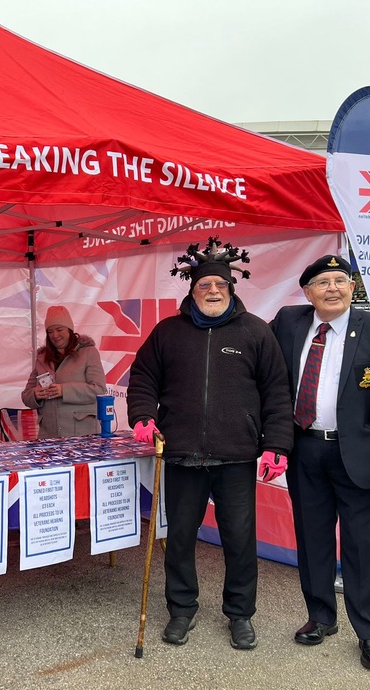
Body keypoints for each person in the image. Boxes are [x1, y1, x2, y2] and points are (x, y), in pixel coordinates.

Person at [128, 239, 294, 650]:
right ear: (192, 290)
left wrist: (277, 444)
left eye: (221, 284)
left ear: (232, 289)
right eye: (206, 286)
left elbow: (276, 392)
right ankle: (181, 610)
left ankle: (240, 614)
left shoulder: (255, 331)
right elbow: (143, 378)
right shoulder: (168, 332)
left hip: (236, 455)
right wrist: (144, 417)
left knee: (240, 539)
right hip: (182, 454)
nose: (214, 291)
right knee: (181, 537)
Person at [270, 255, 370, 671]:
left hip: (360, 454)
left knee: (362, 547)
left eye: (340, 280)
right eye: (322, 282)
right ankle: (322, 617)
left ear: (351, 288)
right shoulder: (289, 322)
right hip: (305, 449)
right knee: (313, 540)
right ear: (308, 293)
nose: (333, 288)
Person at [21, 305, 106, 438]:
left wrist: (64, 390)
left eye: (59, 329)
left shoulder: (88, 352)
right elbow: (26, 396)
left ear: (70, 330)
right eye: (50, 331)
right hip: (49, 437)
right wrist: (35, 394)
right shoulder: (42, 358)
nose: (55, 335)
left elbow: (99, 389)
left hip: (83, 436)